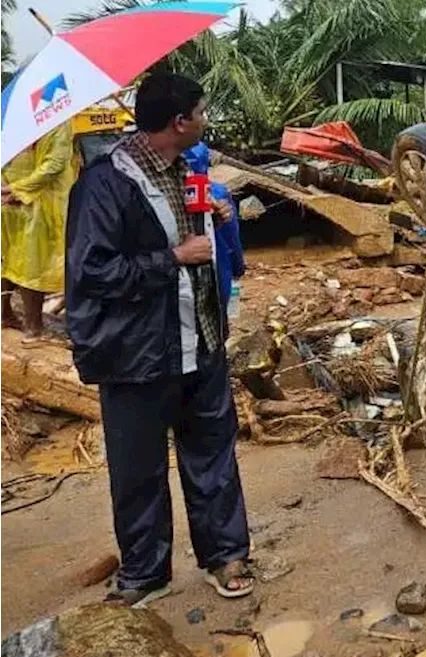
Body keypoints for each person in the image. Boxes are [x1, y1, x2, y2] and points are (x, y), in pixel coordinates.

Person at [66, 73, 253, 607]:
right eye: (202, 111)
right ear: (179, 122)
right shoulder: (103, 186)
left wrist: (214, 221)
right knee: (138, 470)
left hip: (202, 342)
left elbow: (192, 243)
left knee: (214, 455)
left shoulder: (183, 171)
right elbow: (92, 272)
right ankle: (146, 573)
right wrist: (172, 258)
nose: (206, 119)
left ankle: (226, 554)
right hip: (136, 354)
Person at [0, 122, 75, 342]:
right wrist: (16, 190)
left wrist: (7, 189)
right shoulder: (57, 122)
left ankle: (5, 314)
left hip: (9, 199)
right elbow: (55, 164)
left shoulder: (9, 119)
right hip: (38, 203)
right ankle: (34, 329)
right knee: (33, 264)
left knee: (9, 258)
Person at [182, 142, 245, 314]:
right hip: (219, 270)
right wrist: (238, 267)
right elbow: (232, 236)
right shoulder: (218, 194)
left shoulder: (167, 195)